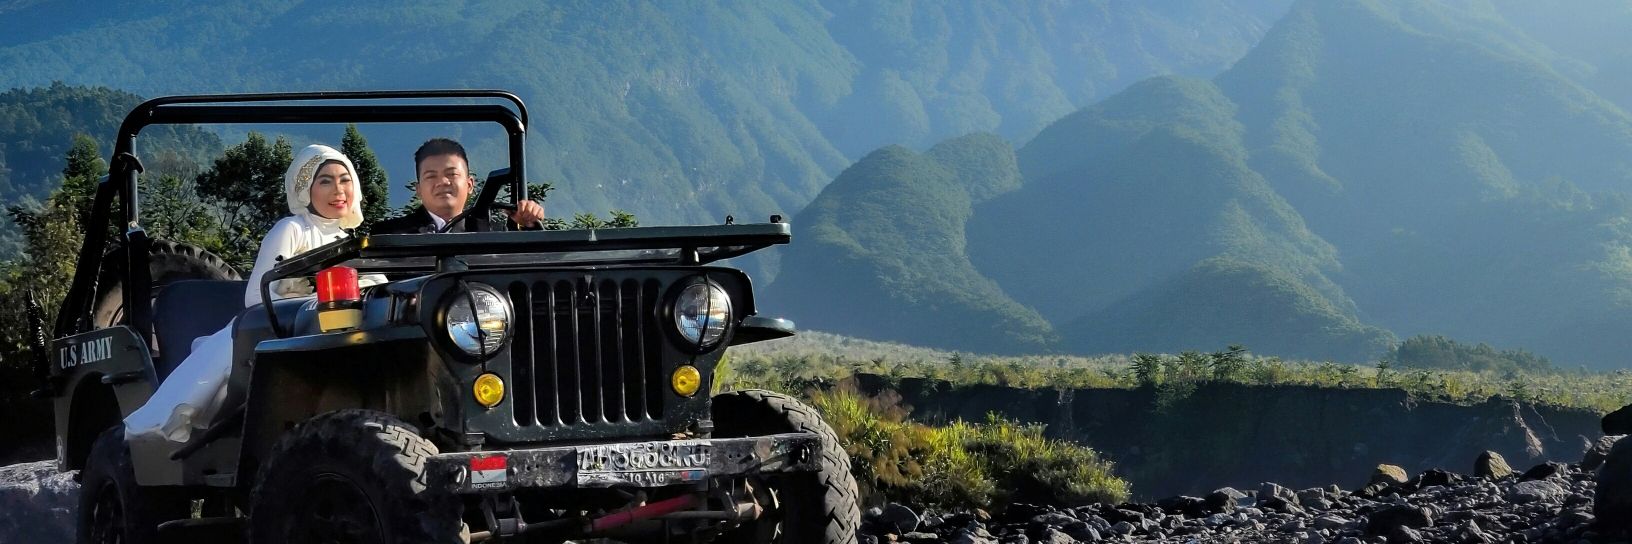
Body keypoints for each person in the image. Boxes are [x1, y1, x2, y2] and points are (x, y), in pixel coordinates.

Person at [125, 144, 380, 446]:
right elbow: (256, 298)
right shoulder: (292, 229)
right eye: (325, 180)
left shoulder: (350, 242)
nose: (338, 190)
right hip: (280, 333)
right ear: (305, 189)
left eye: (345, 179)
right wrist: (299, 292)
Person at [371, 138, 546, 234]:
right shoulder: (390, 235)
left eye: (451, 174)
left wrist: (527, 224)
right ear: (418, 190)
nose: (443, 182)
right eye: (431, 176)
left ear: (470, 184)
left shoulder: (493, 234)